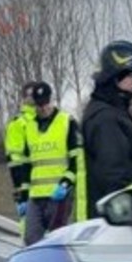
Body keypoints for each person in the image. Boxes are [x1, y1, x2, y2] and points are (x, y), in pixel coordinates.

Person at [82, 40, 132, 218]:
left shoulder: (115, 113)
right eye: (131, 75)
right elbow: (115, 177)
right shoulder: (105, 119)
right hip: (124, 223)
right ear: (114, 77)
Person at [23, 82, 83, 246]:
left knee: (57, 241)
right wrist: (23, 195)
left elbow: (76, 158)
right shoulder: (29, 127)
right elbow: (28, 163)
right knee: (31, 239)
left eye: (46, 103)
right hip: (36, 196)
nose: (43, 108)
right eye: (39, 104)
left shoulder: (67, 122)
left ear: (51, 100)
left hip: (59, 195)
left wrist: (66, 183)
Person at [4, 82, 37, 233]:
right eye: (29, 95)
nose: (33, 98)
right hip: (26, 183)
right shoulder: (18, 123)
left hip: (47, 183)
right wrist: (20, 190)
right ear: (23, 98)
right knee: (29, 226)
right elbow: (15, 160)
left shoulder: (48, 119)